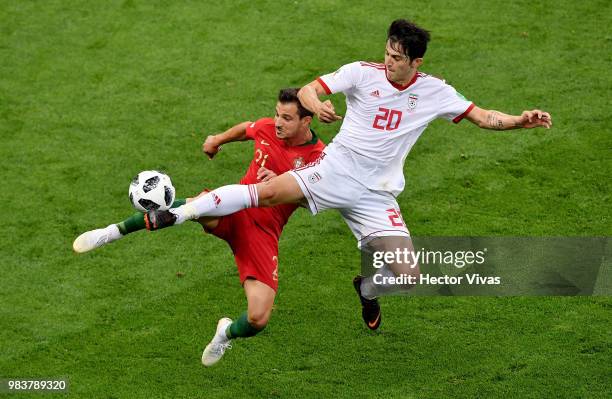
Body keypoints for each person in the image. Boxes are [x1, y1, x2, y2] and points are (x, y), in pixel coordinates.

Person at [145, 19, 552, 331]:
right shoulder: (362, 73)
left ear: (416, 62)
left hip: (377, 195)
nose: (389, 61)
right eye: (388, 53)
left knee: (408, 276)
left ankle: (367, 288)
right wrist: (317, 104)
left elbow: (483, 117)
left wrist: (520, 120)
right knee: (267, 192)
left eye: (397, 58)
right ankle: (182, 212)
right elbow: (309, 89)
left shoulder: (436, 92)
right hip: (337, 170)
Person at [73, 88, 325, 366]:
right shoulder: (269, 128)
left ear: (306, 121)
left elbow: (317, 201)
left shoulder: (319, 157)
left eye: (286, 118)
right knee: (193, 207)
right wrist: (217, 140)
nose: (277, 122)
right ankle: (111, 232)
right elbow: (247, 129)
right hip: (233, 207)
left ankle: (225, 333)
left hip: (263, 232)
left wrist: (282, 184)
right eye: (277, 114)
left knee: (258, 318)